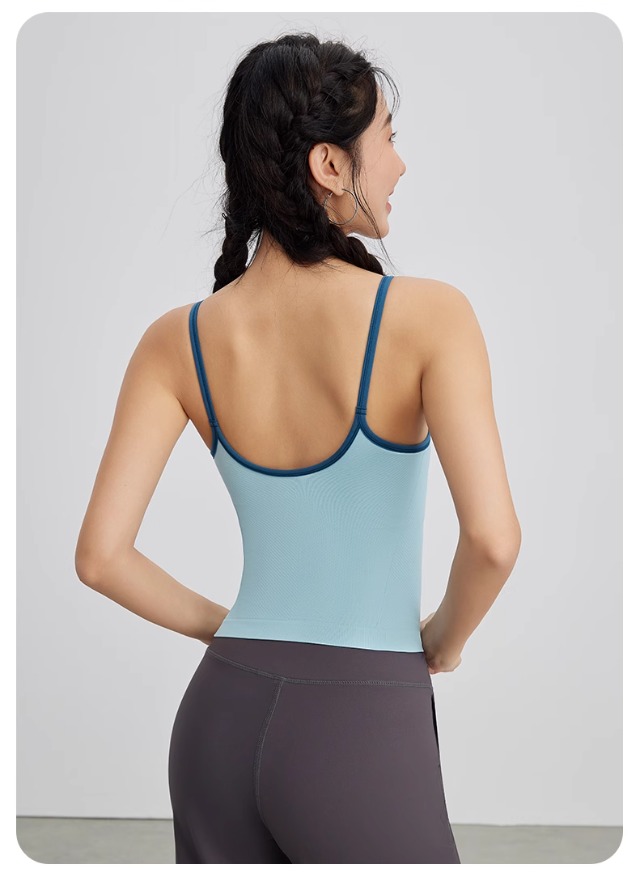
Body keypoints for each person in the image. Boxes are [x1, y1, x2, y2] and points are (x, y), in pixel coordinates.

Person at [75, 32, 521, 864]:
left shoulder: (176, 339)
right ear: (329, 163)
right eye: (388, 137)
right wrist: (444, 641)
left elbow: (101, 557)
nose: (399, 164)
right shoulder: (431, 316)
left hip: (216, 726)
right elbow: (493, 540)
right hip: (360, 721)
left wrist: (235, 632)